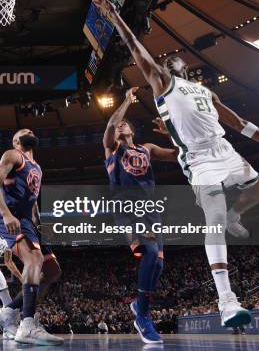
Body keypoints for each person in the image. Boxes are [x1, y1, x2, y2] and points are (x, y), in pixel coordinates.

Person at [92, 0, 259, 327]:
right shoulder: (161, 84)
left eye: (175, 61)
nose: (170, 62)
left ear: (186, 67)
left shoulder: (205, 91)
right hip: (198, 161)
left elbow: (240, 124)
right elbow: (137, 50)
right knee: (212, 216)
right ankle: (227, 299)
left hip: (225, 150)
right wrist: (114, 16)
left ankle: (233, 214)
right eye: (165, 62)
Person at [102, 87, 178, 344]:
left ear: (132, 130)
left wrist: (174, 134)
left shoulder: (146, 148)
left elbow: (180, 156)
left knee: (158, 262)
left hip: (150, 210)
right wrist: (125, 101)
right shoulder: (112, 150)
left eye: (125, 124)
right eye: (119, 125)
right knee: (148, 253)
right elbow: (112, 124)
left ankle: (139, 306)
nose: (120, 126)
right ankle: (143, 316)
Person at [0, 128, 63, 345]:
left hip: (28, 221)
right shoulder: (13, 155)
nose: (29, 130)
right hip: (11, 218)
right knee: (34, 260)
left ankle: (8, 311)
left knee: (51, 271)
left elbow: (32, 202)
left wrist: (40, 225)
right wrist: (6, 213)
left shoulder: (37, 167)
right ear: (16, 141)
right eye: (24, 131)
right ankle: (27, 324)